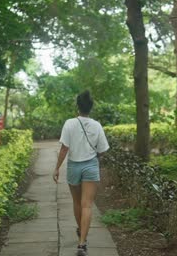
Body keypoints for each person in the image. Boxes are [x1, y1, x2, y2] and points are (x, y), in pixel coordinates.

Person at [52, 90, 109, 256]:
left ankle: (81, 233)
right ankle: (82, 243)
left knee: (78, 204)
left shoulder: (69, 123)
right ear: (91, 107)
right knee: (87, 205)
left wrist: (56, 168)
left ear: (78, 106)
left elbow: (64, 148)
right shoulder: (97, 125)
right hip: (91, 166)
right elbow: (103, 150)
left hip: (73, 167)